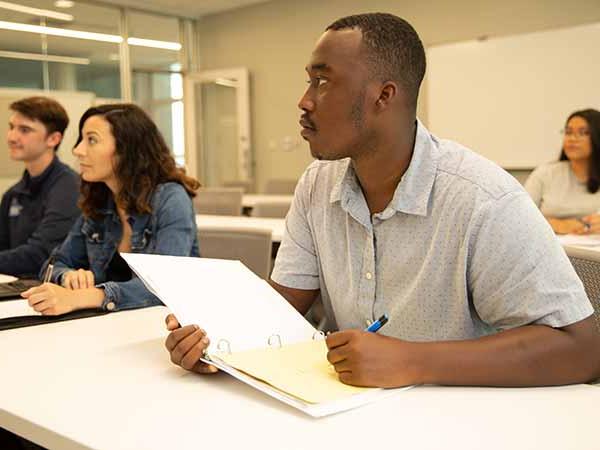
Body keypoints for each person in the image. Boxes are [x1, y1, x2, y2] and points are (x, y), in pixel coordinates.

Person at [164, 13, 600, 386]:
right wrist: (215, 337)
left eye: (322, 81)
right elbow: (283, 306)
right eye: (308, 81)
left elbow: (581, 349)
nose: (304, 100)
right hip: (343, 414)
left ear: (384, 96)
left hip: (460, 424)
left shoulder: (481, 198)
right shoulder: (317, 185)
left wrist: (410, 360)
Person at [21, 104, 200, 315]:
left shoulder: (171, 199)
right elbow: (52, 266)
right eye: (81, 139)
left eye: (92, 140)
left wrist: (81, 297)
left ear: (127, 150)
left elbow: (165, 286)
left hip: (162, 330)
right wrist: (68, 276)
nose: (77, 150)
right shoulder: (101, 201)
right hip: (111, 326)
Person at [0, 96, 79, 278]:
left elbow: (42, 254)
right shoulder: (13, 194)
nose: (12, 137)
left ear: (53, 139)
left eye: (24, 130)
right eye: (11, 127)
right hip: (17, 288)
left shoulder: (69, 187)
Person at [525, 109, 600, 234]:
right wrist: (554, 224)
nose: (572, 138)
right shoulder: (545, 173)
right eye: (568, 132)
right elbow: (520, 215)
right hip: (552, 246)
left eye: (583, 133)